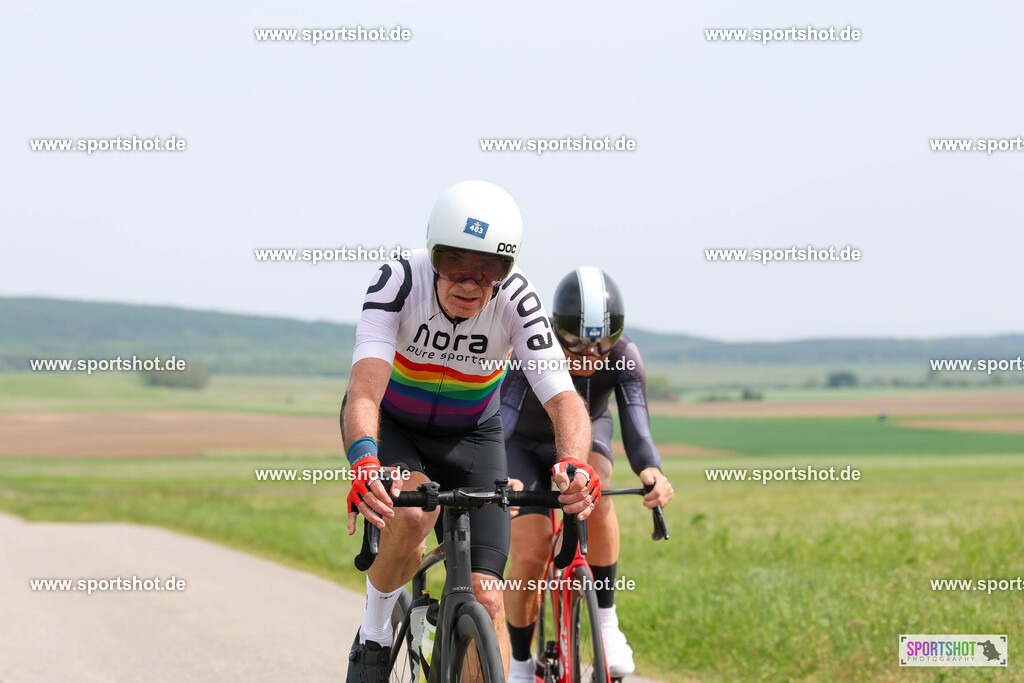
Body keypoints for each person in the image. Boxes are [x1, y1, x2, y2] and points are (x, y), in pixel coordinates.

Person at [342, 180, 601, 682]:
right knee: (415, 519)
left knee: (487, 597)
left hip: (473, 436)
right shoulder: (399, 279)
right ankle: (373, 634)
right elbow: (364, 391)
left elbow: (566, 399)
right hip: (396, 427)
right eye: (456, 264)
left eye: (489, 270)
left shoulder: (518, 300)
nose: (471, 282)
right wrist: (366, 461)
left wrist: (574, 463)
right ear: (433, 255)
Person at [501, 267, 674, 682]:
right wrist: (495, 474)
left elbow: (637, 422)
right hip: (523, 446)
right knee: (530, 549)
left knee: (597, 486)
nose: (589, 354)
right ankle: (522, 663)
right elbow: (503, 418)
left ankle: (608, 624)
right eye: (575, 342)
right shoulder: (533, 350)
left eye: (602, 342)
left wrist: (651, 469)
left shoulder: (626, 356)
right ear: (555, 331)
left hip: (588, 436)